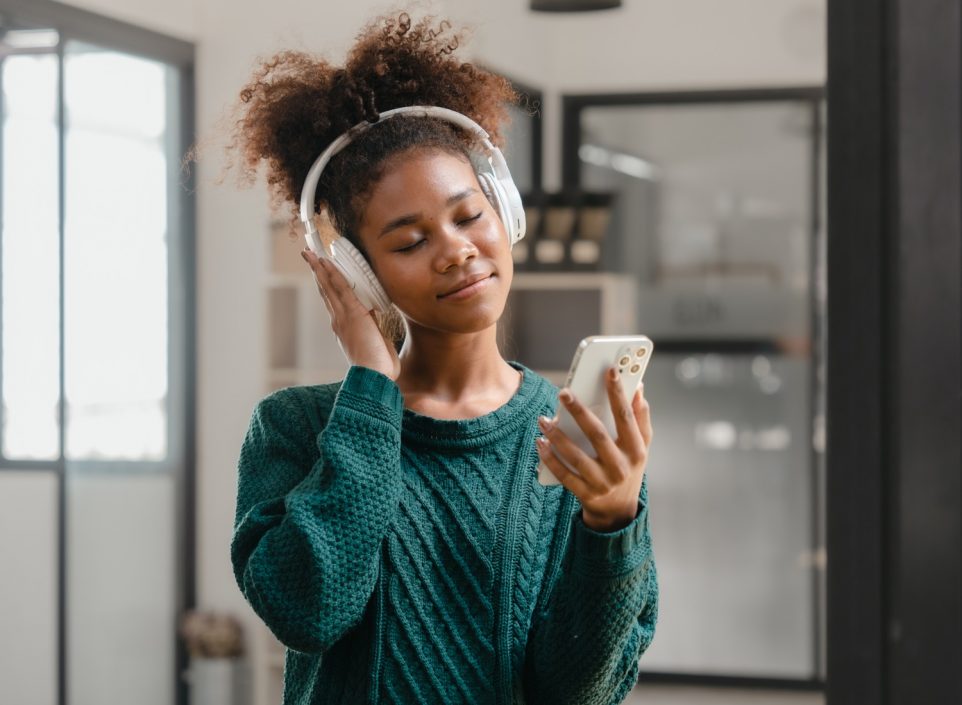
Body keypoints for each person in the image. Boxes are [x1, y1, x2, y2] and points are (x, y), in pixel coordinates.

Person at [226, 11, 657, 704]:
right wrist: (370, 382)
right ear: (361, 274)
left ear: (505, 211)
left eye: (467, 215)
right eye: (408, 241)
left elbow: (578, 691)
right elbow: (309, 610)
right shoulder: (293, 429)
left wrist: (611, 522)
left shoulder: (572, 435)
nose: (455, 248)